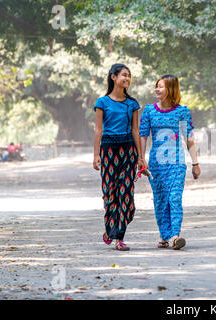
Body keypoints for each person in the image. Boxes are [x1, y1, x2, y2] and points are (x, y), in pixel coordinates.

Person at [139, 74, 200, 250]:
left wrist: (195, 163)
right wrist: (141, 159)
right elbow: (143, 136)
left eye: (161, 86)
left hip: (177, 163)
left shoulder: (182, 112)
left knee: (174, 198)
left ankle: (175, 235)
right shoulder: (149, 111)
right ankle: (164, 235)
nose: (157, 89)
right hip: (156, 164)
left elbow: (189, 139)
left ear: (171, 89)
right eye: (156, 86)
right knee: (160, 200)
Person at [93, 63, 145, 251]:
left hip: (128, 151)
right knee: (110, 193)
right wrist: (96, 155)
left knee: (126, 195)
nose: (127, 79)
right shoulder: (102, 102)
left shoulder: (132, 104)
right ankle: (111, 229)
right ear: (113, 77)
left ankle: (119, 237)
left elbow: (135, 130)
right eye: (124, 75)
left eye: (129, 76)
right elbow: (98, 130)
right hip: (108, 150)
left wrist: (140, 157)